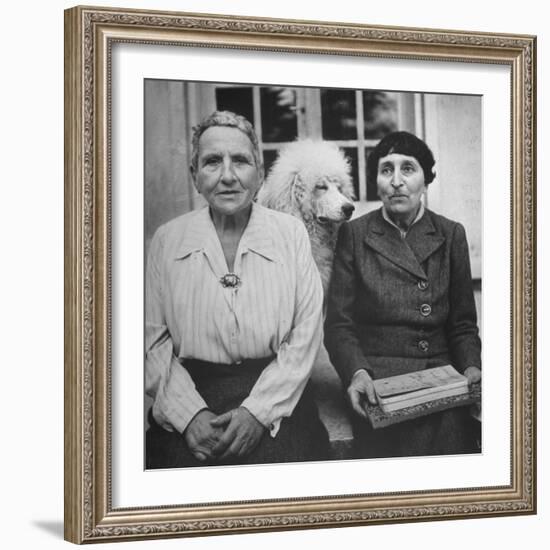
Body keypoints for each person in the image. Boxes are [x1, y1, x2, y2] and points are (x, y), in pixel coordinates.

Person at [145, 110, 330, 468]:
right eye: (212, 162)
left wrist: (257, 413)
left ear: (259, 174)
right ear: (195, 176)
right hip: (193, 390)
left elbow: (306, 334)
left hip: (278, 392)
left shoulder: (290, 234)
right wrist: (190, 417)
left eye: (241, 161)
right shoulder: (167, 241)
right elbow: (151, 343)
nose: (228, 176)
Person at [324, 131, 481, 458]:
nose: (396, 181)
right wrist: (357, 373)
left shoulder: (451, 234)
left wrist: (471, 369)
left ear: (426, 180)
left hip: (440, 378)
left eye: (407, 169)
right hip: (377, 380)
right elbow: (339, 326)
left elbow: (463, 325)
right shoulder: (354, 234)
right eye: (386, 170)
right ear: (376, 182)